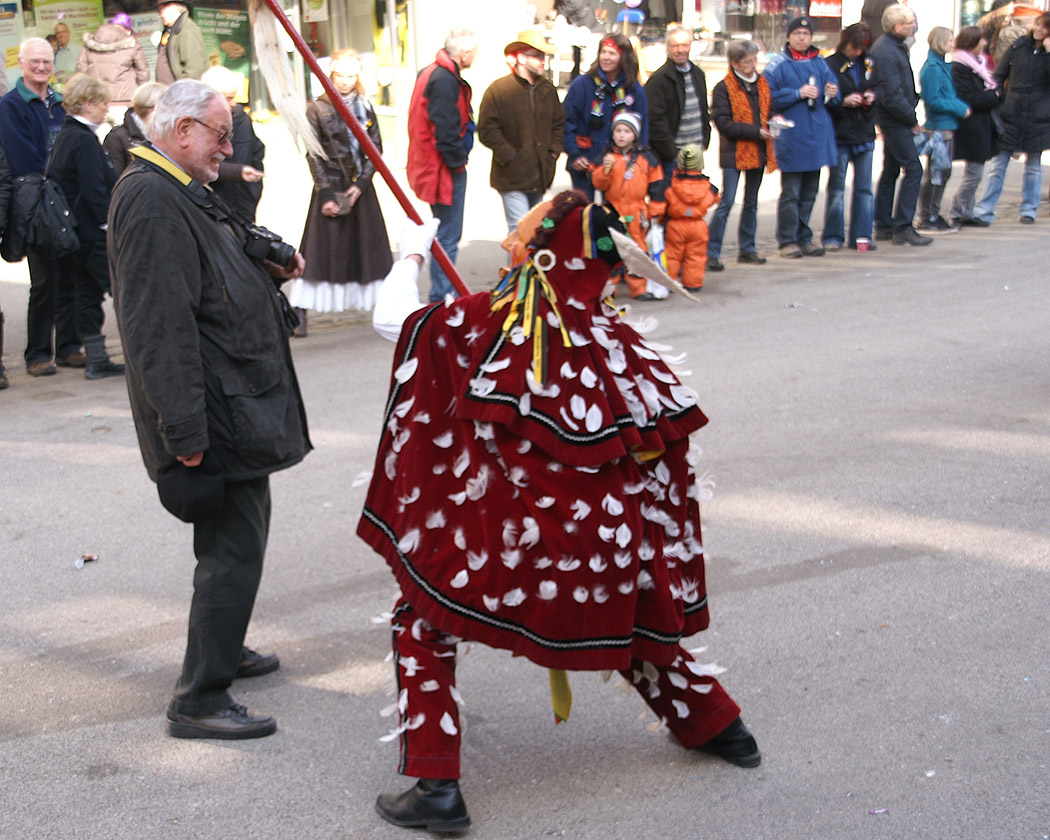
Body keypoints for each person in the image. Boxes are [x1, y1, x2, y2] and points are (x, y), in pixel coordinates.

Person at [359, 189, 761, 833]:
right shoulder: (617, 337)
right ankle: (722, 727)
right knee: (627, 617)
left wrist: (410, 252)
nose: (514, 244)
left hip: (527, 551)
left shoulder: (483, 322)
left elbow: (394, 321)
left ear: (545, 257)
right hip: (613, 550)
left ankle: (437, 785)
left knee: (423, 616)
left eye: (524, 237)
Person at [108, 79, 311, 740]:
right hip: (213, 413)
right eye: (220, 134)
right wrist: (184, 432)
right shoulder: (150, 197)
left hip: (233, 402)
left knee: (238, 541)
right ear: (182, 129)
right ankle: (199, 696)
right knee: (233, 548)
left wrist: (271, 257)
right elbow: (156, 328)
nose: (230, 146)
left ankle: (225, 646)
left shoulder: (177, 186)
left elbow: (224, 246)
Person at [289, 50, 393, 334]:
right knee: (319, 253)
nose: (345, 81)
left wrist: (360, 186)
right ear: (329, 76)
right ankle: (300, 311)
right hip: (331, 184)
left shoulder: (366, 106)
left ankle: (389, 307)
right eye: (340, 75)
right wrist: (325, 194)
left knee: (371, 252)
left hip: (361, 188)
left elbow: (376, 149)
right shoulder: (317, 108)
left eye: (351, 75)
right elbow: (313, 154)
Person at [0, 38, 79, 377]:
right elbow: (22, 157)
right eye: (35, 62)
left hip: (65, 199)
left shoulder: (61, 102)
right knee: (45, 279)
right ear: (21, 63)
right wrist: (55, 169)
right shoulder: (10, 105)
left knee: (71, 275)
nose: (42, 67)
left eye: (46, 62)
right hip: (35, 202)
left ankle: (69, 347)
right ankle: (37, 353)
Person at [48, 73, 124, 380]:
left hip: (76, 232)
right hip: (92, 233)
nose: (107, 108)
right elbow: (94, 191)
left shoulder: (68, 136)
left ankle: (96, 359)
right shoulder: (83, 140)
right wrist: (110, 225)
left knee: (87, 294)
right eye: (103, 102)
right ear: (87, 104)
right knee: (124, 290)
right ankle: (140, 353)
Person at [407, 28, 476, 303]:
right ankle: (442, 295)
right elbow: (445, 129)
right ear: (465, 53)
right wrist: (458, 161)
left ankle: (442, 291)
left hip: (432, 166)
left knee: (443, 232)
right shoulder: (444, 79)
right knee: (447, 234)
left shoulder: (433, 72)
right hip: (442, 169)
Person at [763, 16, 840, 259]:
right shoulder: (777, 65)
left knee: (810, 192)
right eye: (797, 33)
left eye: (806, 34)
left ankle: (804, 236)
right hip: (792, 138)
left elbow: (835, 94)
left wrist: (832, 93)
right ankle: (787, 239)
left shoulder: (820, 62)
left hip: (816, 136)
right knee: (791, 193)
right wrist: (797, 93)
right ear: (789, 36)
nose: (802, 37)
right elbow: (766, 98)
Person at [478, 31, 564, 234]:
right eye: (538, 55)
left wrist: (553, 152)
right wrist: (508, 155)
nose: (543, 61)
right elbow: (486, 128)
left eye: (544, 56)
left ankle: (528, 267)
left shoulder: (547, 89)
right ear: (522, 58)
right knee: (520, 233)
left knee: (534, 231)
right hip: (511, 176)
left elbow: (558, 123)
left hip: (540, 174)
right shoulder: (499, 89)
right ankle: (518, 267)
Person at [972, 12, 1050, 225]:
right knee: (999, 163)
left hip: (1039, 116)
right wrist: (996, 96)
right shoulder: (1019, 46)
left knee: (1033, 166)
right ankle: (984, 209)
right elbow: (999, 74)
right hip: (1012, 111)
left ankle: (1029, 210)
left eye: (1045, 27)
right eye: (1038, 25)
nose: (1039, 30)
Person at [707, 40, 776, 271]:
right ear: (735, 63)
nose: (754, 65)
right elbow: (723, 123)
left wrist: (776, 122)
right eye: (749, 61)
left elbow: (770, 111)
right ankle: (711, 252)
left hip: (759, 151)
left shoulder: (762, 83)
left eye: (755, 60)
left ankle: (747, 248)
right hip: (734, 152)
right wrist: (756, 132)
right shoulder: (724, 87)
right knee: (727, 202)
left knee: (752, 203)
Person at [870, 4, 933, 246]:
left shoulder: (895, 47)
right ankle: (903, 226)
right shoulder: (886, 50)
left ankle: (885, 224)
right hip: (894, 119)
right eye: (910, 23)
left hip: (896, 117)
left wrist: (913, 100)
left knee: (891, 170)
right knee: (913, 169)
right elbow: (891, 94)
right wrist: (911, 119)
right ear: (898, 26)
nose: (914, 26)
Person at [563, 33, 648, 200]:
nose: (606, 58)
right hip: (584, 160)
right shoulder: (582, 84)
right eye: (603, 52)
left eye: (612, 53)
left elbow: (642, 127)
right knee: (584, 214)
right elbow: (567, 121)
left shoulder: (634, 88)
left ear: (623, 58)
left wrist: (637, 159)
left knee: (614, 214)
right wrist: (574, 153)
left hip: (620, 163)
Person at [590, 110, 664, 299]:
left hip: (637, 211)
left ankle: (638, 288)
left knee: (636, 251)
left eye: (627, 131)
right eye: (618, 131)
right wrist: (605, 171)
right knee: (609, 250)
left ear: (635, 135)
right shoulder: (606, 157)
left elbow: (657, 186)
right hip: (611, 211)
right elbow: (598, 184)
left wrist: (656, 211)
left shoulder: (646, 158)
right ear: (613, 134)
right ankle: (609, 289)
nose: (622, 135)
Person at [823, 23, 878, 252]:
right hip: (841, 133)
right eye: (854, 47)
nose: (857, 52)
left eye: (861, 48)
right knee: (837, 188)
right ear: (845, 42)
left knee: (864, 188)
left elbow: (878, 86)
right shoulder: (830, 65)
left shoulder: (869, 63)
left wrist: (871, 96)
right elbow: (825, 100)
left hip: (864, 131)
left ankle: (862, 236)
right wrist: (843, 101)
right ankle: (833, 236)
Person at [916, 27, 971, 232]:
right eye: (949, 40)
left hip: (947, 125)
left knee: (943, 173)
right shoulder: (932, 67)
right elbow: (933, 99)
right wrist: (959, 107)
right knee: (936, 174)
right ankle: (927, 216)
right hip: (938, 127)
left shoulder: (941, 65)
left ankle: (933, 213)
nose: (952, 44)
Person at [947, 26, 1002, 227]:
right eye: (981, 41)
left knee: (975, 171)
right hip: (970, 126)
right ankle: (957, 210)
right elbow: (970, 98)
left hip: (981, 124)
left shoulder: (977, 64)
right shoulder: (959, 66)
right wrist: (992, 97)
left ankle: (966, 212)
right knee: (974, 173)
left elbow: (993, 90)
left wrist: (993, 96)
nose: (985, 44)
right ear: (972, 43)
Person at [645, 25, 711, 184]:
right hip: (672, 158)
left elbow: (704, 111)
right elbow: (655, 121)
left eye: (684, 45)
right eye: (675, 45)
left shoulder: (698, 74)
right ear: (667, 48)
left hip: (695, 154)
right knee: (671, 204)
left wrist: (704, 140)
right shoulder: (658, 80)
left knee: (692, 202)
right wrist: (672, 152)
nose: (680, 50)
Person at [201, 66, 265, 222]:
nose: (234, 103)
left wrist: (254, 189)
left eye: (234, 97)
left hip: (245, 199)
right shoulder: (199, 124)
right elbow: (200, 163)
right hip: (215, 202)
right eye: (228, 98)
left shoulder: (242, 119)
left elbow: (257, 149)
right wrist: (237, 172)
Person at [651, 143, 719, 290]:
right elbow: (715, 198)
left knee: (673, 255)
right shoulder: (708, 187)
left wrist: (656, 216)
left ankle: (669, 281)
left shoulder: (670, 185)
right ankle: (693, 283)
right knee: (696, 256)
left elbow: (659, 203)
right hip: (698, 225)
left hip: (675, 225)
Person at [75, 13, 150, 108]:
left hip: (97, 101)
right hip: (126, 100)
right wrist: (141, 94)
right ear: (127, 31)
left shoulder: (90, 43)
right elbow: (143, 73)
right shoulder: (132, 44)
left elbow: (81, 71)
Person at [104, 81, 166, 177]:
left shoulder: (167, 134)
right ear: (151, 109)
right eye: (164, 108)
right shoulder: (117, 137)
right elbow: (113, 179)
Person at [155, 0, 208, 84]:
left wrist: (182, 91)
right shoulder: (170, 30)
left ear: (172, 7)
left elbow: (193, 69)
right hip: (169, 91)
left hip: (179, 92)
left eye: (161, 10)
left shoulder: (187, 30)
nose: (159, 15)